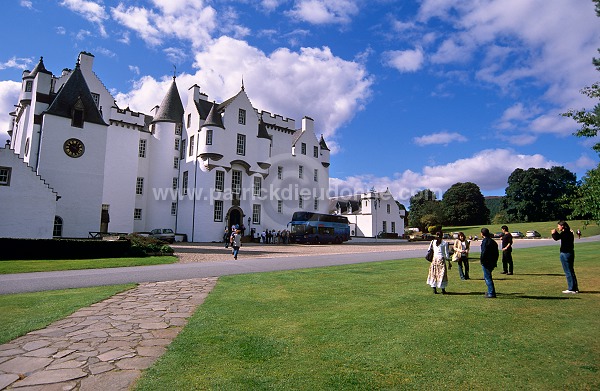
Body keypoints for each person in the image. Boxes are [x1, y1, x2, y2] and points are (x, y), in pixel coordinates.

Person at [551, 221, 579, 294]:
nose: (558, 227)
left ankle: (571, 288)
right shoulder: (569, 232)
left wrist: (554, 233)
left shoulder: (565, 233)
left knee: (568, 271)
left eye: (559, 226)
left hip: (565, 253)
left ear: (562, 226)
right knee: (571, 270)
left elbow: (557, 238)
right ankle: (575, 288)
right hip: (570, 253)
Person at [480, 228, 499, 298]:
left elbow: (483, 252)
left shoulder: (485, 241)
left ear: (482, 234)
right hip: (492, 261)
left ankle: (491, 293)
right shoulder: (493, 242)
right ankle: (490, 291)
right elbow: (496, 253)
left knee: (487, 277)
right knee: (488, 276)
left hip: (486, 262)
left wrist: (482, 260)